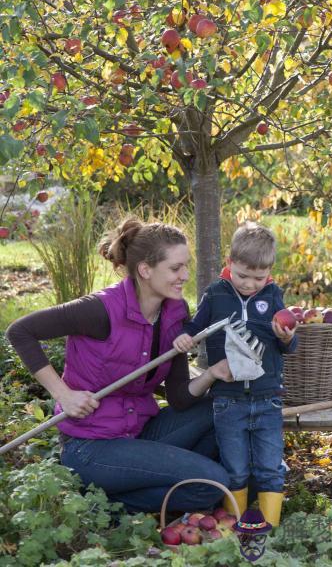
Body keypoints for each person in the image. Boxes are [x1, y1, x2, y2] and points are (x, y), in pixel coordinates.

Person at [5, 216, 233, 514]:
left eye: (186, 265)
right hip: (92, 447)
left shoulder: (175, 312)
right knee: (213, 482)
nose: (185, 275)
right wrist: (64, 394)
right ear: (145, 270)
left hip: (139, 432)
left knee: (221, 407)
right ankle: (105, 504)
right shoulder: (100, 310)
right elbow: (20, 332)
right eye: (176, 268)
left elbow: (178, 397)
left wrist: (213, 374)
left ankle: (161, 483)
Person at [173, 222, 298, 526]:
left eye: (259, 278)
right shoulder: (216, 294)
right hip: (228, 399)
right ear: (229, 264)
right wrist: (185, 337)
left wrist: (285, 337)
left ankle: (270, 529)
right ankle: (237, 525)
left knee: (270, 467)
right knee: (236, 468)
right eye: (243, 275)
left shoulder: (272, 294)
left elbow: (289, 345)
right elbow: (195, 327)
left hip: (267, 398)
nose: (250, 285)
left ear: (269, 273)